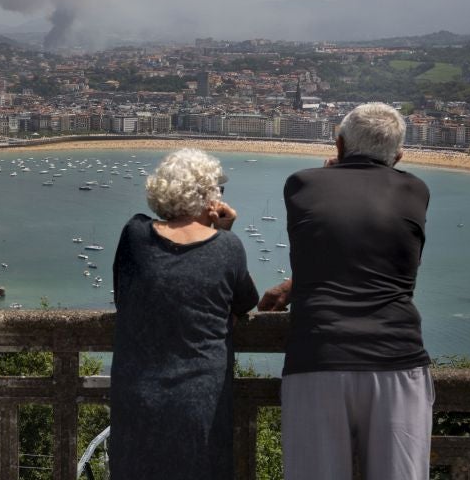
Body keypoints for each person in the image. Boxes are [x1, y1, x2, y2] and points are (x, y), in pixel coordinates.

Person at [258, 102, 434, 480]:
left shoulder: (302, 184)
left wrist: (292, 285)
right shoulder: (415, 190)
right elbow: (395, 263)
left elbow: (322, 245)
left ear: (338, 145)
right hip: (396, 356)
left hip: (318, 354)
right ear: (399, 156)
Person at [110, 148, 259, 480]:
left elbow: (124, 294)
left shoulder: (135, 235)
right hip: (201, 398)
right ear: (210, 199)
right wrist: (225, 231)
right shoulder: (227, 247)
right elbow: (246, 300)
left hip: (137, 395)